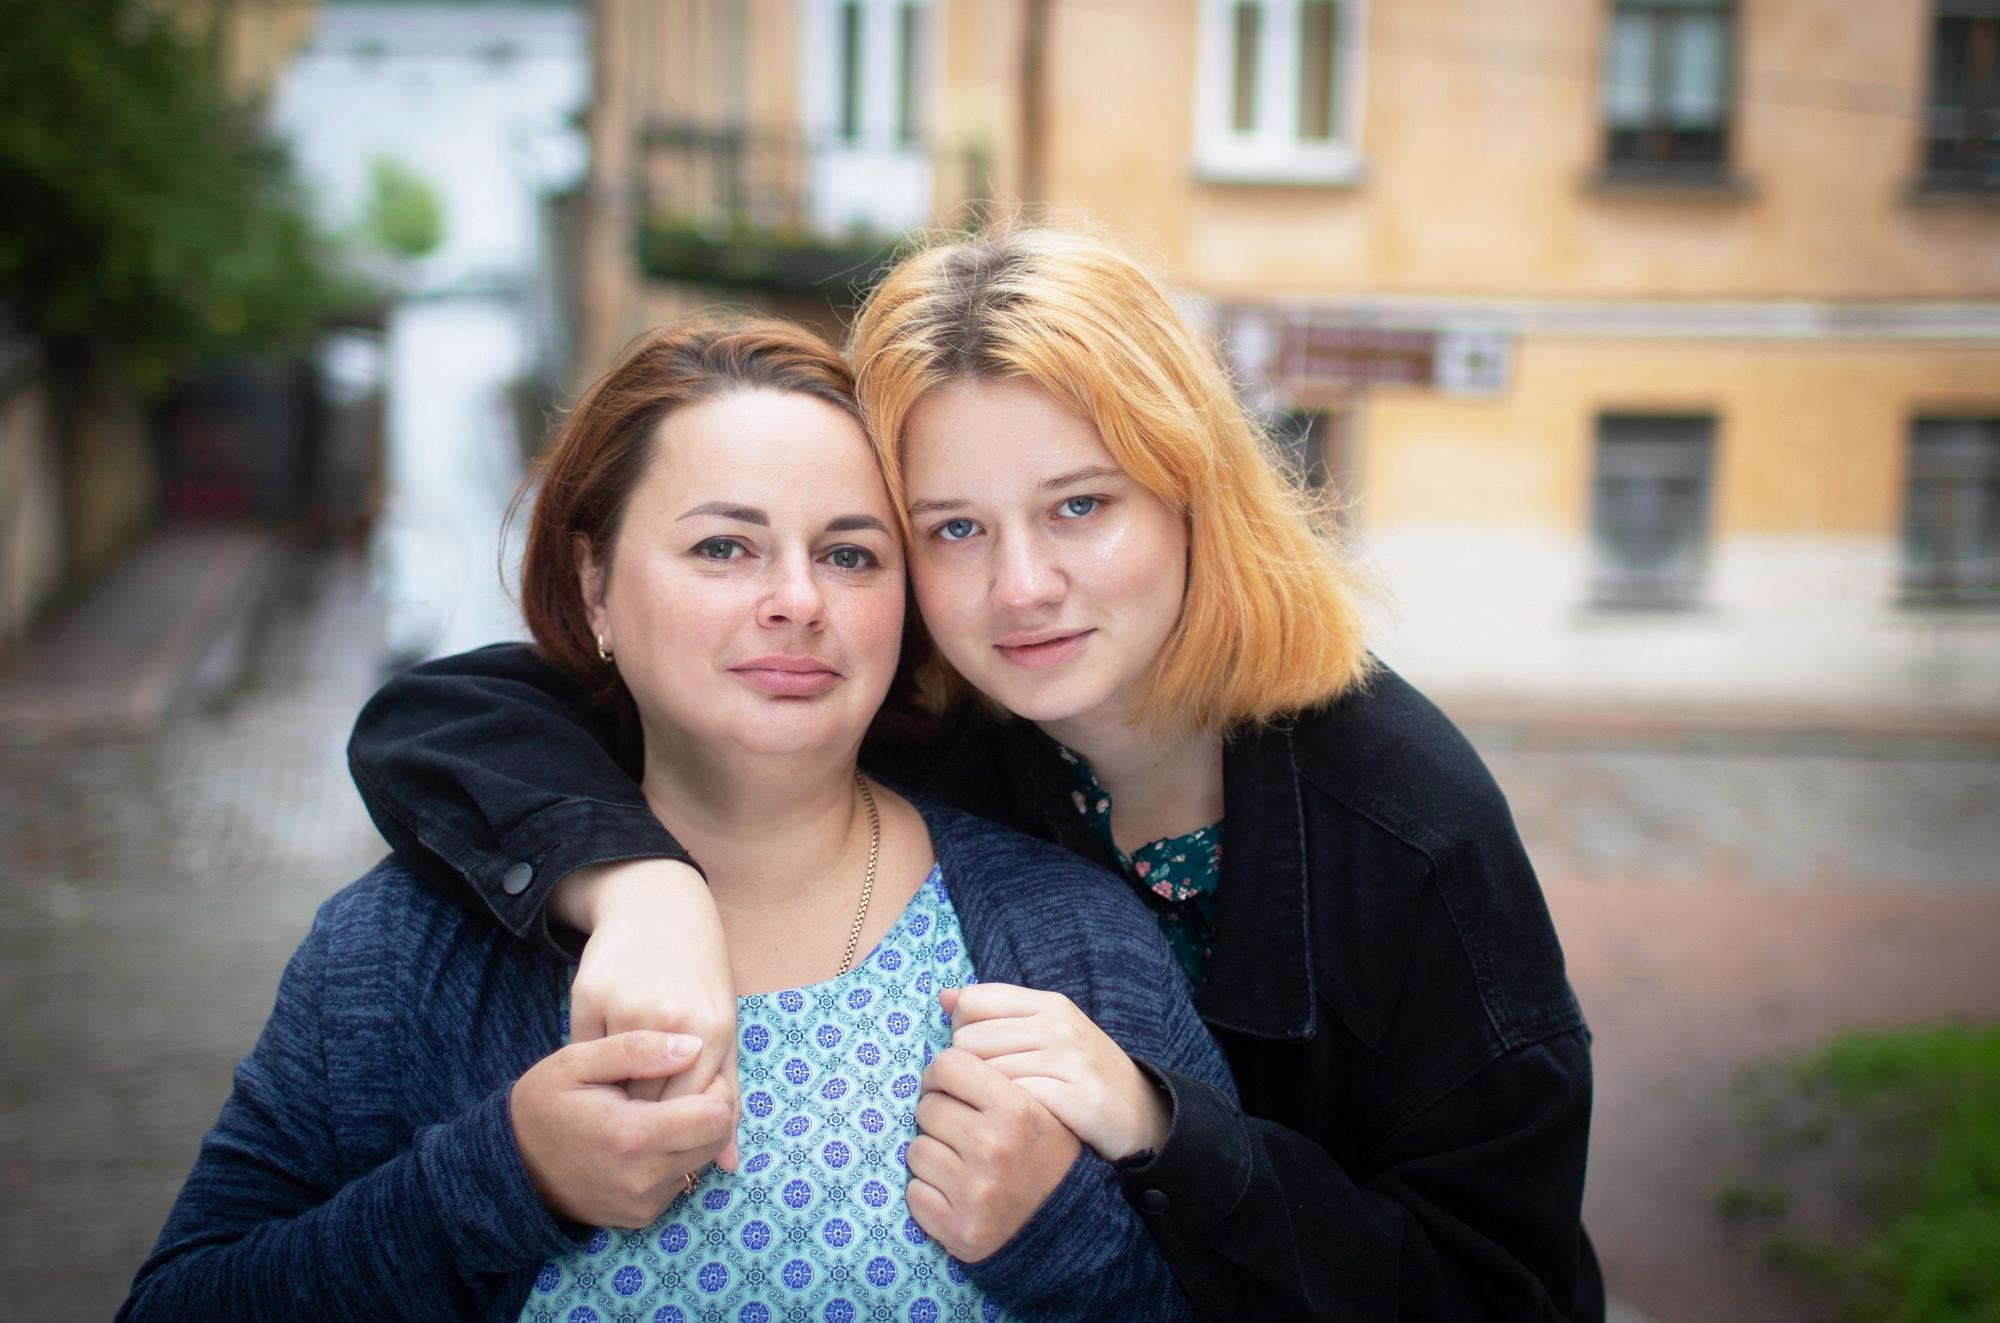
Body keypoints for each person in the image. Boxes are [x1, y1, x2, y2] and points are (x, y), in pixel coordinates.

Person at [348, 227, 1607, 1320]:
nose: (1019, 588)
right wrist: (637, 886)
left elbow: (1506, 1293)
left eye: (1078, 507)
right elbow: (452, 715)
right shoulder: (937, 714)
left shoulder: (1406, 824)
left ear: (1192, 493)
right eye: (952, 528)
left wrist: (1165, 1133)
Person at [121, 318, 1230, 1323]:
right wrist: (502, 1178)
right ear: (594, 586)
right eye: (723, 547)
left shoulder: (1073, 941)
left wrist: (1065, 1240)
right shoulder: (403, 949)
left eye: (850, 554)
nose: (797, 599)